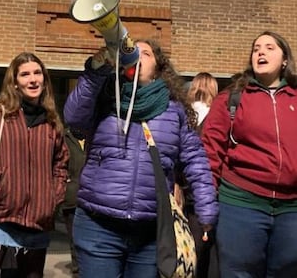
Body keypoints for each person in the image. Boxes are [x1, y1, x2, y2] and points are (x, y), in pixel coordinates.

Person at [63, 39, 219, 278]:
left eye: (145, 53)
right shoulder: (105, 98)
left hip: (150, 232)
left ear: (158, 68)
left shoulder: (173, 109)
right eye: (132, 51)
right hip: (98, 226)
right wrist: (95, 73)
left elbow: (195, 159)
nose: (137, 55)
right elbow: (73, 117)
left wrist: (206, 207)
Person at [0, 52, 69, 278]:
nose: (32, 79)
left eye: (37, 73)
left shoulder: (52, 122)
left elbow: (60, 164)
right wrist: (0, 184)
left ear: (44, 79)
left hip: (36, 224)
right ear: (15, 83)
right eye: (25, 74)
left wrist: (52, 196)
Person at [201, 30, 297, 278]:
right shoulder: (231, 98)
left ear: (285, 59)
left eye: (269, 47)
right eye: (256, 49)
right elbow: (209, 152)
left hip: (292, 210)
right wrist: (206, 201)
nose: (261, 52)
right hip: (241, 205)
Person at [175, 72, 219, 278]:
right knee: (209, 252)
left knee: (187, 247)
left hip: (186, 190)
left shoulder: (183, 114)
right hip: (212, 189)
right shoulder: (218, 116)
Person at [60, 127, 86, 278]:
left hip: (93, 198)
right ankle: (77, 272)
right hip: (72, 198)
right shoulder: (64, 137)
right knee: (75, 240)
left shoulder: (96, 134)